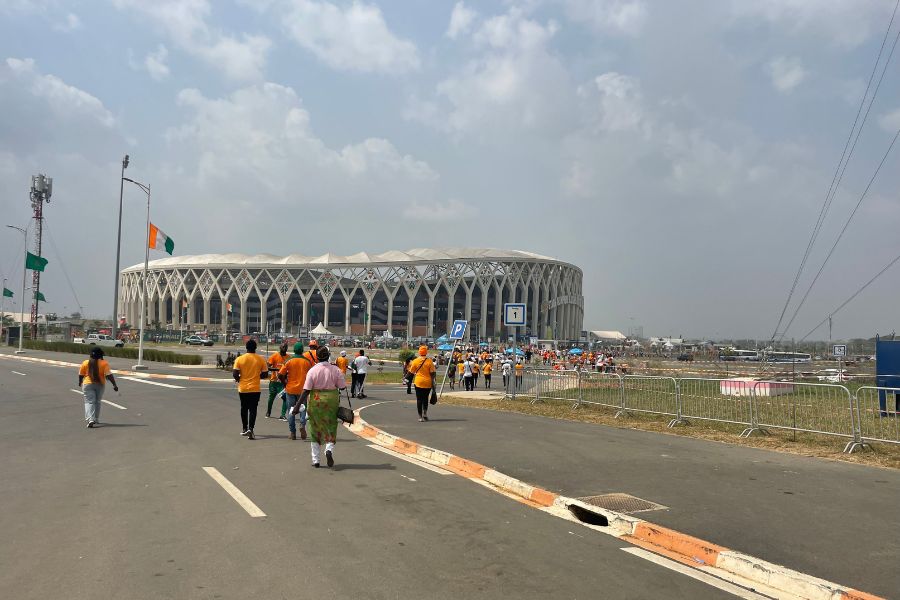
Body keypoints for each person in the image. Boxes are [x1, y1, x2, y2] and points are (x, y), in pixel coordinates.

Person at [291, 346, 347, 468]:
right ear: (328, 356)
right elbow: (342, 387)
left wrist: (297, 406)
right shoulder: (336, 370)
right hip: (331, 402)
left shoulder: (312, 370)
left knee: (315, 428)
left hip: (315, 402)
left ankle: (316, 460)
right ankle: (329, 450)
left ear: (317, 357)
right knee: (331, 426)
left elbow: (306, 390)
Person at [279, 341, 316, 440]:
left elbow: (280, 374)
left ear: (294, 349)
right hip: (303, 390)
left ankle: (292, 433)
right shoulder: (307, 362)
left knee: (291, 410)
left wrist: (285, 383)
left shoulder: (289, 361)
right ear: (302, 350)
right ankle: (302, 425)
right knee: (303, 409)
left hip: (290, 389)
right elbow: (311, 375)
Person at [232, 339, 268, 440]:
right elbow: (265, 374)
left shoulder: (240, 359)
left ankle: (244, 428)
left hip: (243, 388)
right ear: (255, 348)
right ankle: (251, 429)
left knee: (244, 408)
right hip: (255, 388)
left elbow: (235, 373)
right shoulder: (260, 359)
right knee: (253, 409)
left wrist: (239, 379)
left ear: (246, 347)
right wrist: (256, 376)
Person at [78, 347, 118, 428]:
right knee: (97, 401)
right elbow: (109, 375)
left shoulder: (85, 362)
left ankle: (90, 419)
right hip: (100, 385)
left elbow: (81, 374)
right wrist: (114, 385)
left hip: (87, 384)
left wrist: (80, 382)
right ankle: (96, 418)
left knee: (89, 402)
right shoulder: (104, 363)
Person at [407, 346, 436, 421]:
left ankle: (420, 417)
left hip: (418, 382)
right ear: (426, 352)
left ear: (419, 352)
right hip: (427, 382)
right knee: (425, 398)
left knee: (419, 399)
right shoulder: (429, 361)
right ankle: (425, 414)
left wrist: (406, 379)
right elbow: (433, 373)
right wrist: (433, 382)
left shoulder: (415, 361)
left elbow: (411, 372)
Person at [265, 343, 289, 420]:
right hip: (273, 382)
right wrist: (276, 370)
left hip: (282, 383)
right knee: (271, 398)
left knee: (285, 398)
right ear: (280, 347)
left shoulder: (288, 358)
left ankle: (282, 414)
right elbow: (267, 366)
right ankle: (268, 411)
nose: (284, 348)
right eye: (283, 346)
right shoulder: (275, 356)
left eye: (286, 347)